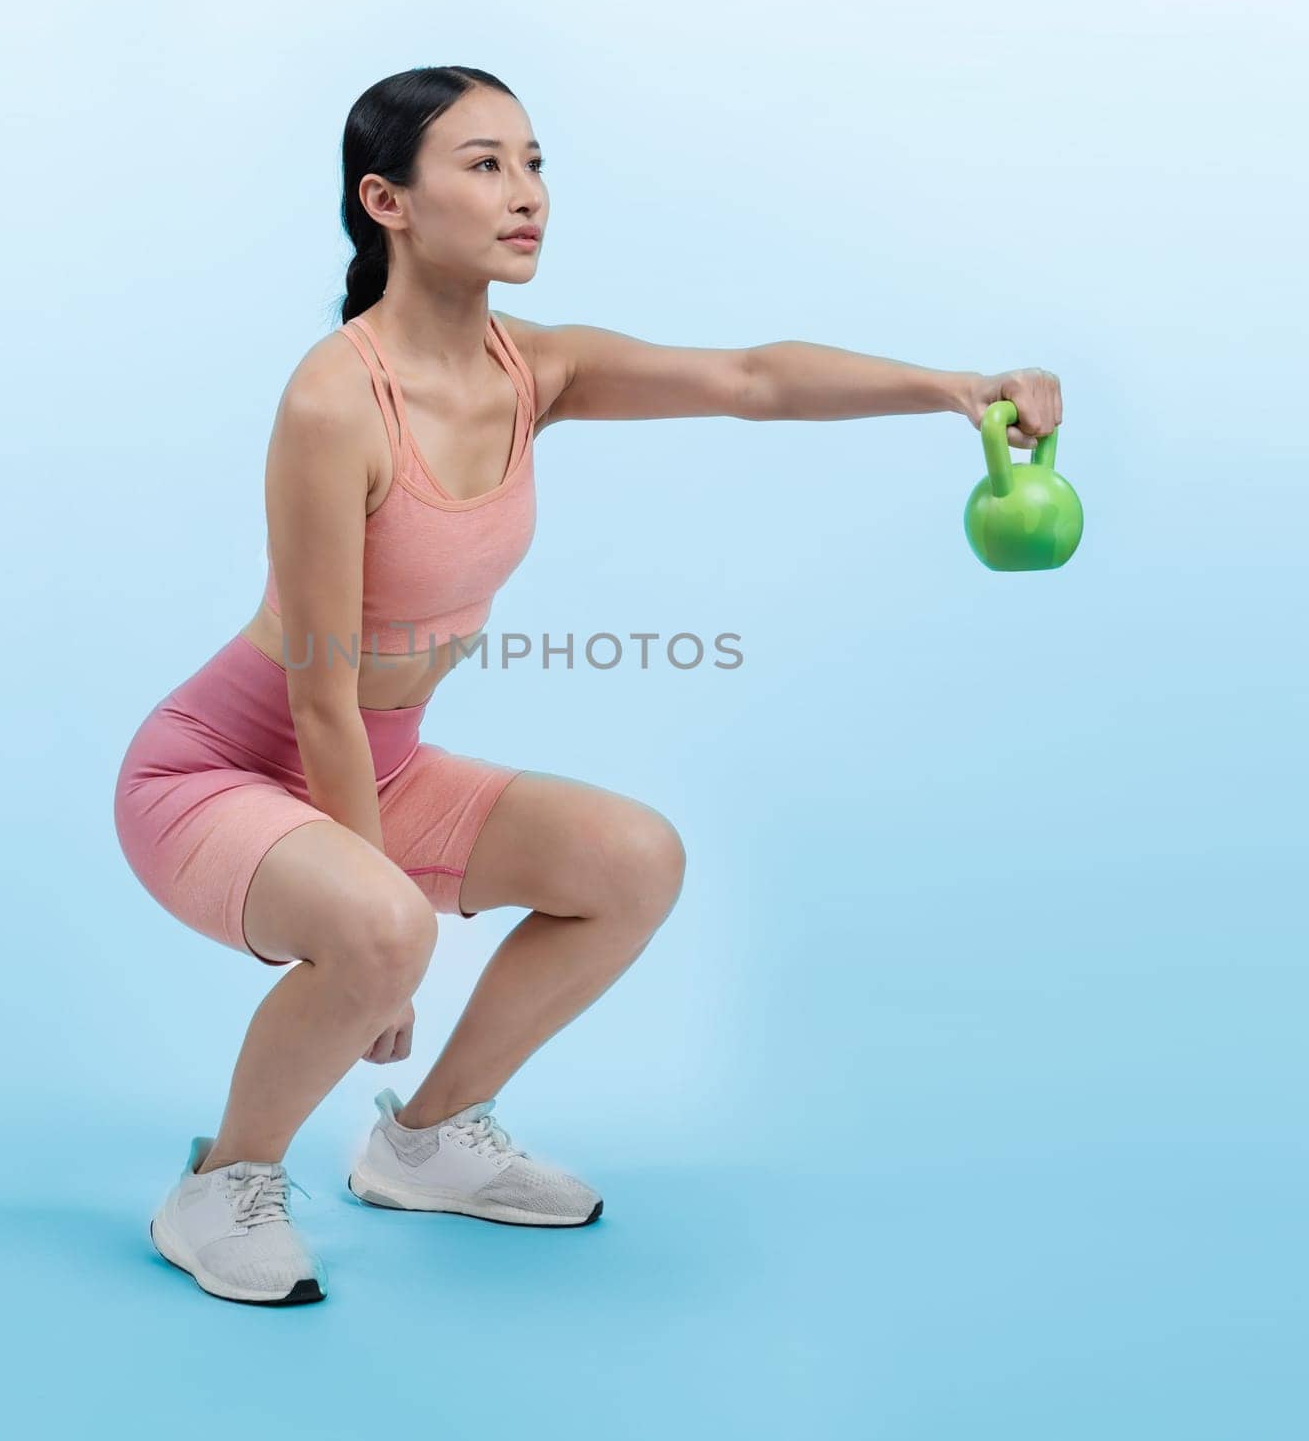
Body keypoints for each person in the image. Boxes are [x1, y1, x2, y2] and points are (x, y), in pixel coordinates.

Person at [112, 65, 1065, 1307]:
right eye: (483, 163)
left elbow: (749, 380)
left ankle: (427, 1140)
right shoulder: (335, 397)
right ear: (385, 201)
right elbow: (316, 692)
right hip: (219, 771)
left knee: (632, 858)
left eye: (534, 163)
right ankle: (222, 1183)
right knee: (380, 926)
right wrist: (378, 939)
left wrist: (951, 388)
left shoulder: (535, 370)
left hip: (375, 760)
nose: (526, 195)